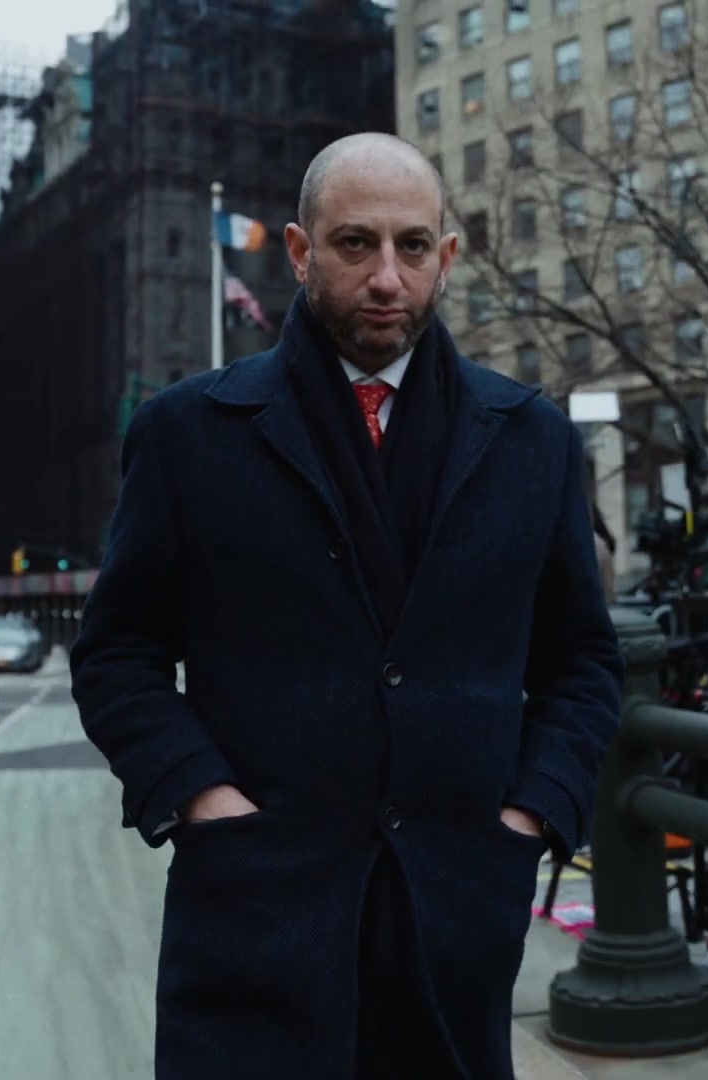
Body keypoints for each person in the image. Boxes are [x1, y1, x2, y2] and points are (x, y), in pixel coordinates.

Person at [70, 132, 622, 1080]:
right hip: (253, 918)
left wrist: (533, 816)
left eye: (413, 246)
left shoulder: (532, 439)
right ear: (299, 251)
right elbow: (117, 653)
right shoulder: (187, 434)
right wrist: (202, 800)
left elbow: (582, 661)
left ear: (447, 256)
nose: (386, 277)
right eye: (355, 243)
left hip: (456, 919)